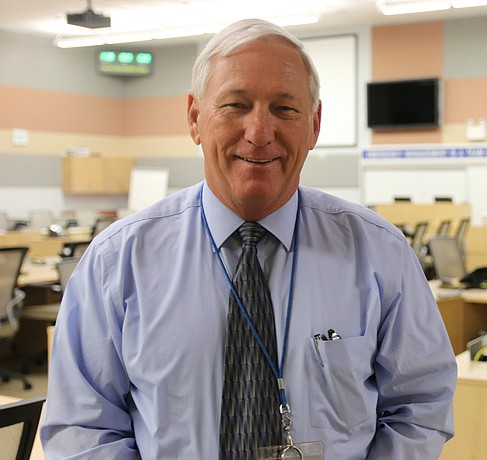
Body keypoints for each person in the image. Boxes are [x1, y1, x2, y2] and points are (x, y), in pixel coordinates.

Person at [40, 18, 456, 459]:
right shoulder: (118, 261)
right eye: (235, 105)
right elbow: (82, 426)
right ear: (195, 118)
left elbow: (420, 405)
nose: (259, 133)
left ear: (314, 124)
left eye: (285, 109)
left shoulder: (379, 254)